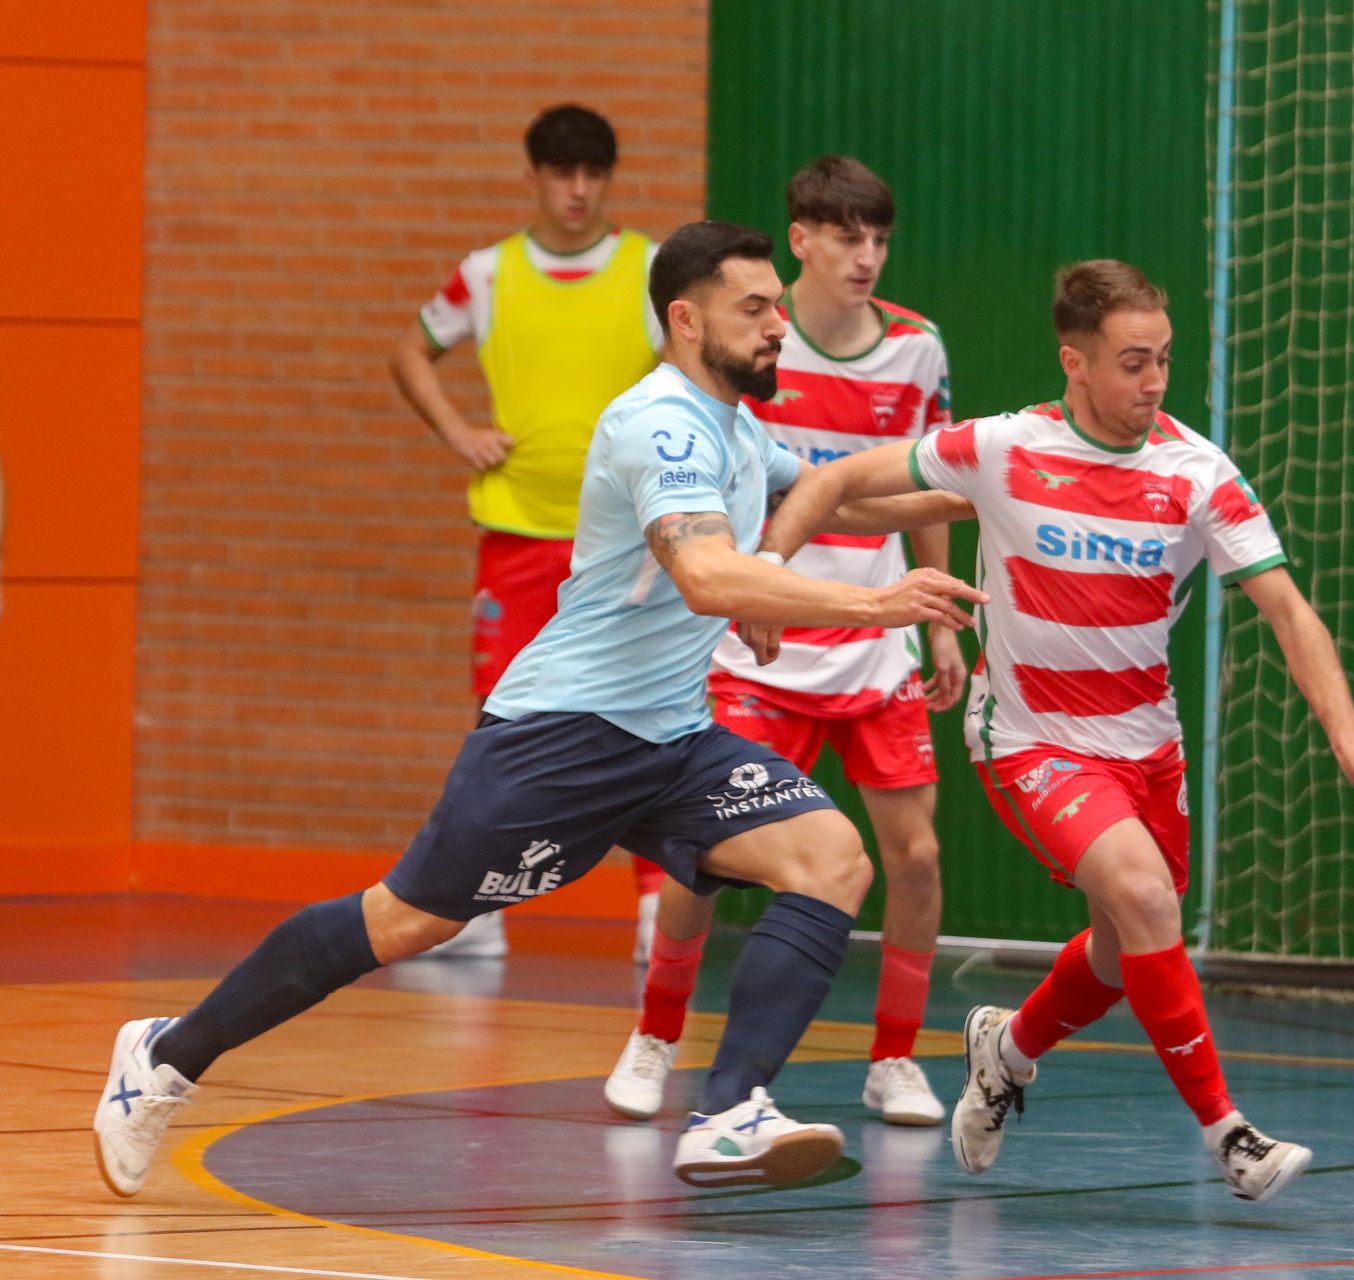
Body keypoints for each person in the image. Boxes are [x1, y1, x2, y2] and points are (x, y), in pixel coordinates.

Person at [91, 220, 984, 1199]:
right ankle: (168, 1052)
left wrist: (982, 491)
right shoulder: (661, 424)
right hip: (563, 737)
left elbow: (832, 497)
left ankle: (728, 1113)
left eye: (777, 305)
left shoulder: (735, 426)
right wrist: (874, 603)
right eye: (755, 307)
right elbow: (703, 574)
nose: (778, 325)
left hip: (672, 741)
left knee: (831, 858)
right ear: (687, 321)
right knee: (405, 922)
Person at [754, 259, 1354, 1204]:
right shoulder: (1001, 448)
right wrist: (765, 578)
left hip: (1148, 748)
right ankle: (1228, 1135)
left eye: (1164, 359)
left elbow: (1287, 609)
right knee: (1148, 903)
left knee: (1124, 951)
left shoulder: (1197, 471)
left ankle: (1008, 1048)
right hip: (1032, 743)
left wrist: (1347, 734)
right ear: (1074, 362)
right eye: (1132, 362)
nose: (1154, 381)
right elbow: (837, 481)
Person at [603, 157, 962, 1129]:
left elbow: (926, 483)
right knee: (705, 859)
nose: (867, 255)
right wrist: (747, 579)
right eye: (847, 236)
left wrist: (936, 623)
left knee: (915, 855)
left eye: (879, 238)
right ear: (800, 239)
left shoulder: (918, 349)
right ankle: (656, 1033)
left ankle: (894, 1057)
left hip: (874, 640)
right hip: (760, 642)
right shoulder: (751, 344)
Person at [389, 103, 669, 959]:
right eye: (561, 173)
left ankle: (655, 908)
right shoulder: (486, 274)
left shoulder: (651, 270)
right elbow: (410, 352)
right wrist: (458, 432)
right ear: (534, 177)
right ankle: (473, 908)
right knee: (500, 722)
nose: (578, 190)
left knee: (644, 714)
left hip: (624, 546)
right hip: (514, 535)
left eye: (594, 174)